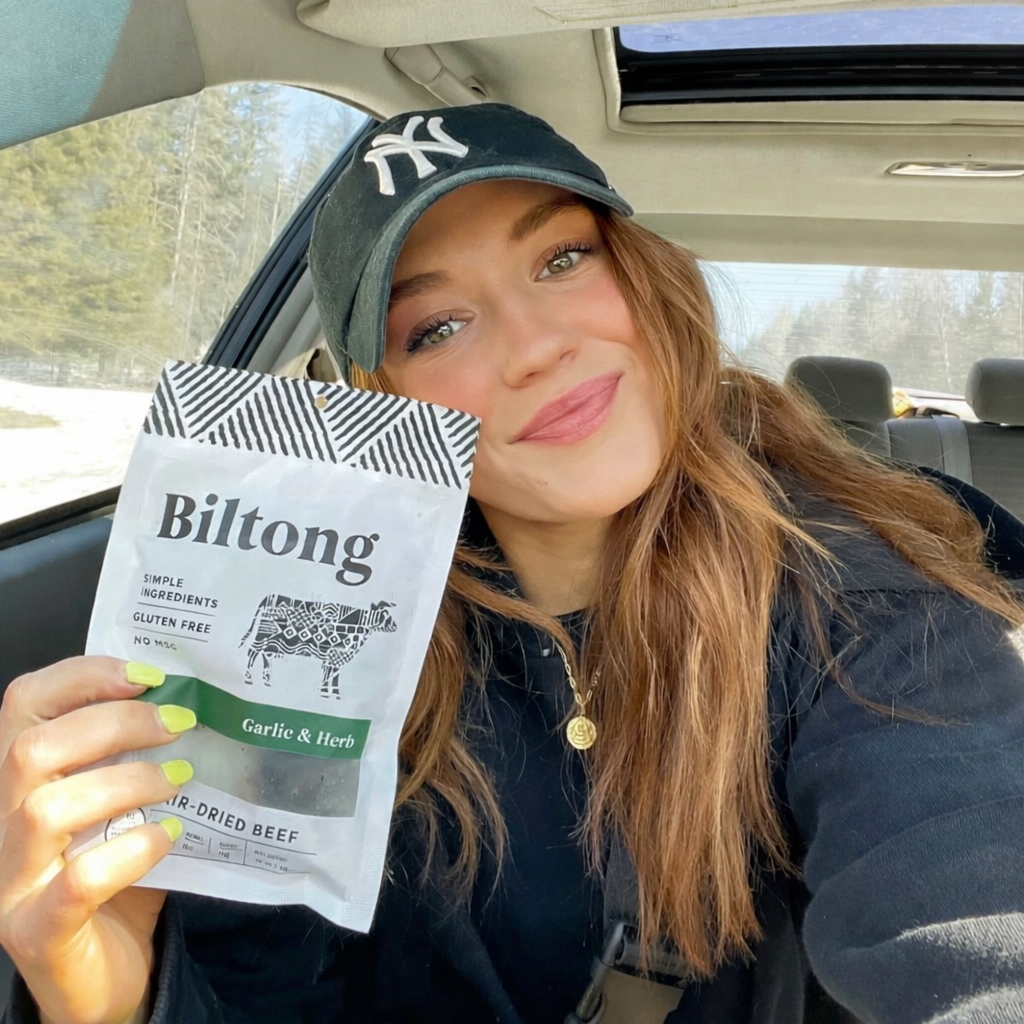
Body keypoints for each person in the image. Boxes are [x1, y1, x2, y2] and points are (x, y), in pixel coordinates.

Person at [2, 102, 1024, 1024]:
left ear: (647, 277)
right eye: (437, 327)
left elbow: (971, 904)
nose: (535, 346)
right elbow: (271, 989)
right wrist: (119, 997)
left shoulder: (868, 593)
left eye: (562, 259)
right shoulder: (321, 644)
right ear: (382, 398)